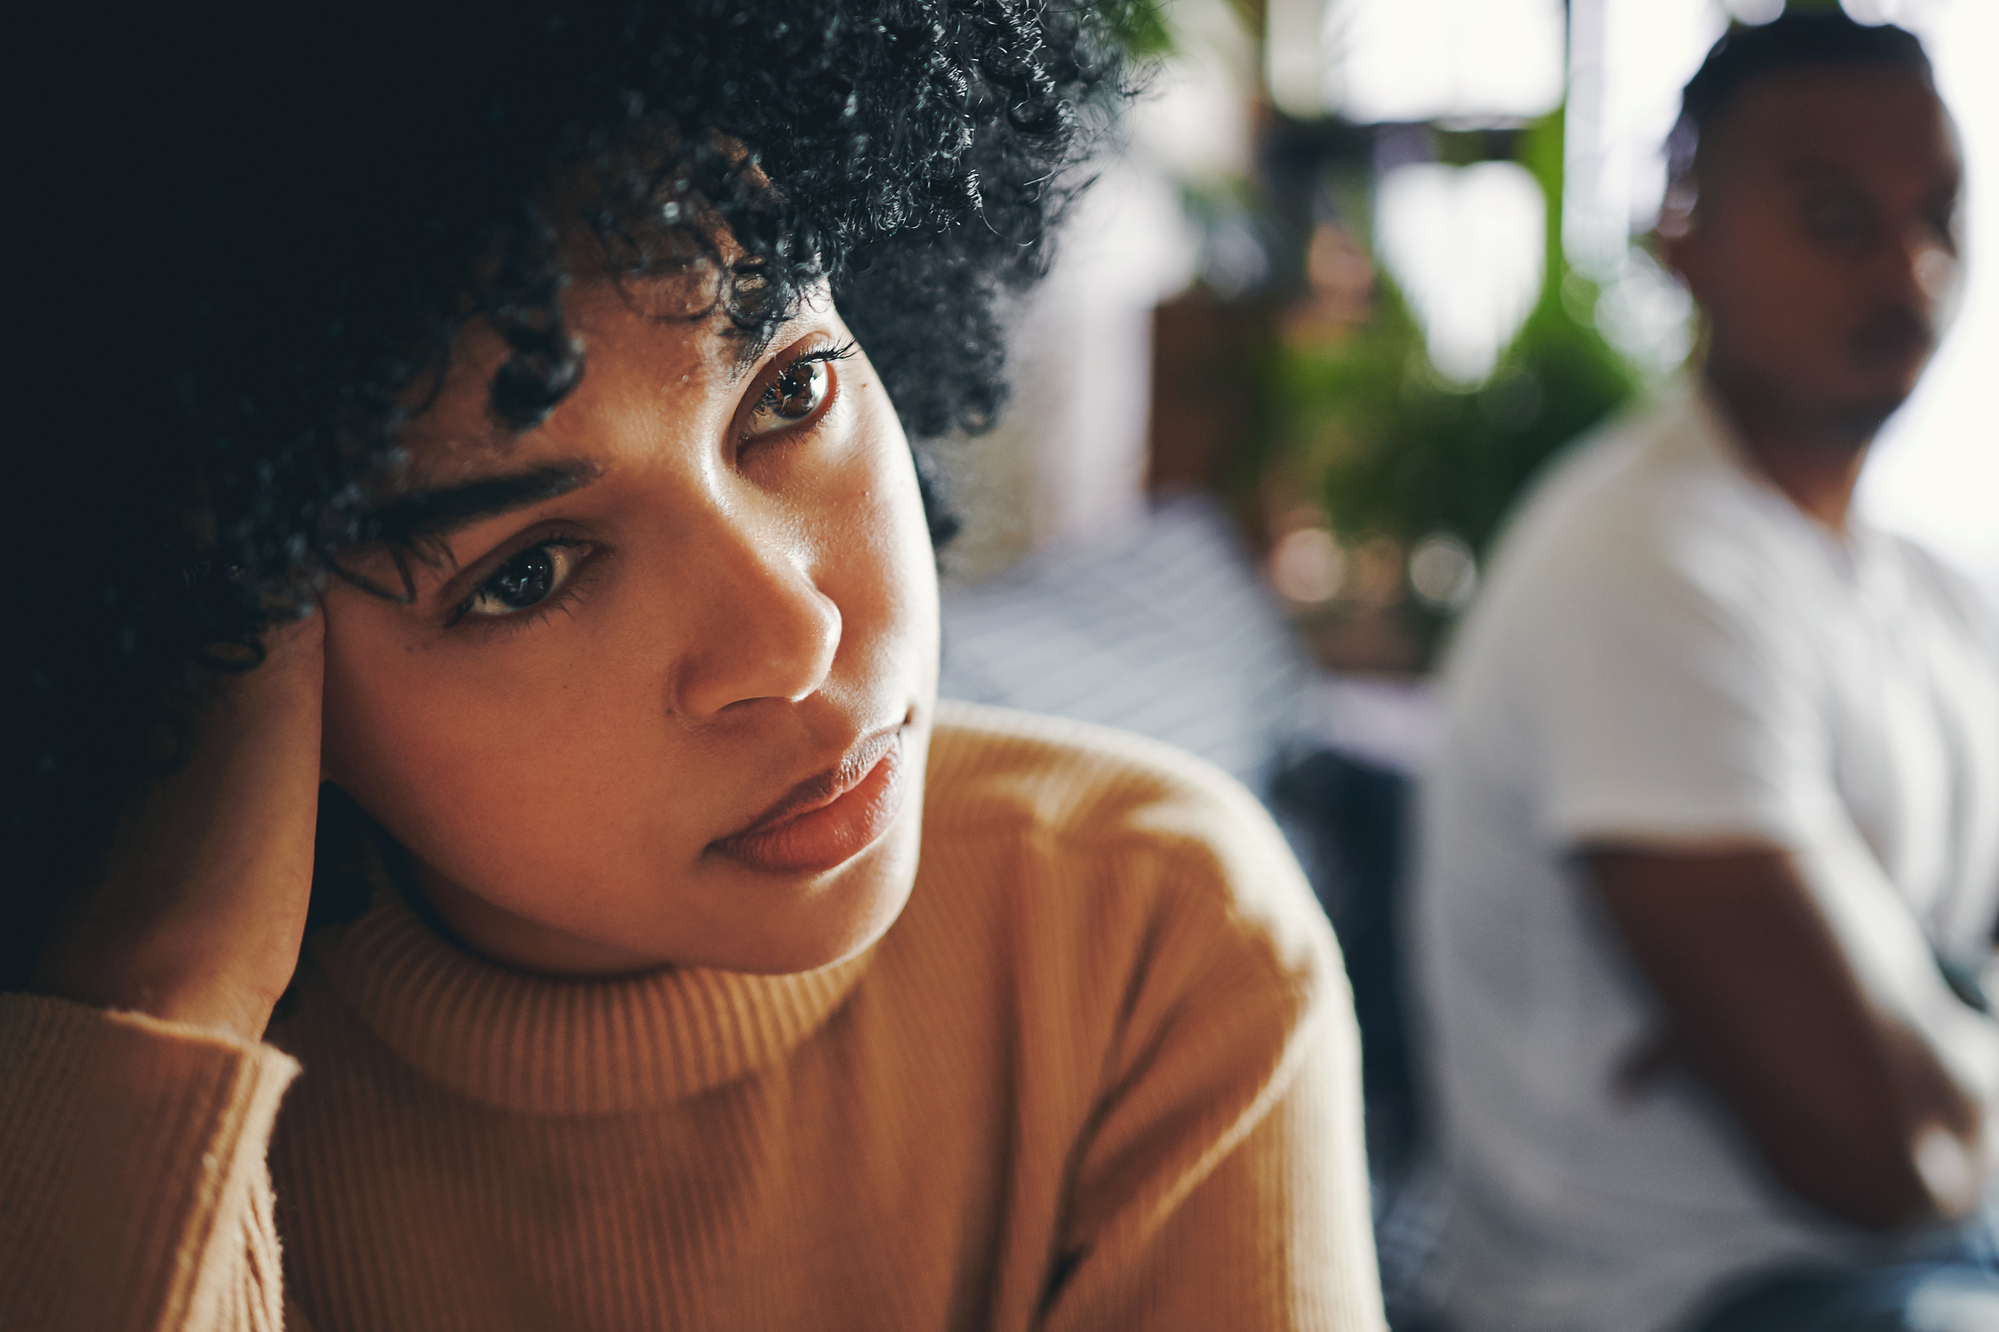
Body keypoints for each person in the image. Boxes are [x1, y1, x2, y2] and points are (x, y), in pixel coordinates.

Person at [0, 4, 1387, 1329]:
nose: (796, 643)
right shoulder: (108, 1100)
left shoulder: (1155, 941)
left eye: (789, 391)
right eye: (527, 571)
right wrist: (162, 1000)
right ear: (227, 633)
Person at [1410, 12, 1999, 1332]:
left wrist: (1921, 1008)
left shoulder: (1929, 587)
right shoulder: (1646, 567)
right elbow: (1883, 1159)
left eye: (1943, 214)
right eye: (1837, 216)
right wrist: (1924, 990)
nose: (1910, 267)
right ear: (1686, 231)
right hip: (1694, 1301)